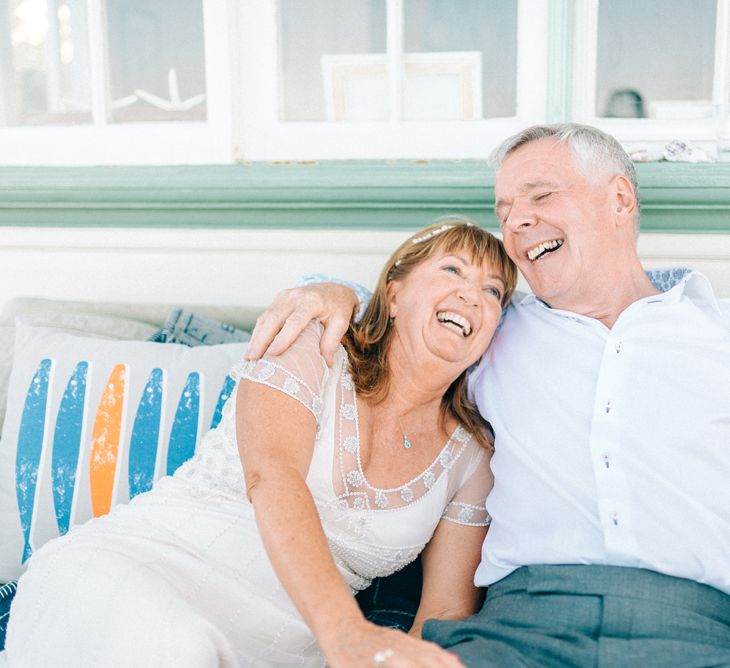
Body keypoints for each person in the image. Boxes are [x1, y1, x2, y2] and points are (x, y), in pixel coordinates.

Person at [244, 123, 730, 667]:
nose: (517, 221)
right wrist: (331, 290)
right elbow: (408, 323)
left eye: (541, 195)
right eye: (504, 211)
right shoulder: (492, 330)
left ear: (619, 199)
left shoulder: (717, 333)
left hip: (699, 630)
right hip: (519, 630)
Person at [6, 221, 518, 667]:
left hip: (283, 649)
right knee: (177, 647)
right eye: (453, 271)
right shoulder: (313, 343)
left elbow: (445, 613)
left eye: (494, 291)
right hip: (137, 566)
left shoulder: (472, 455)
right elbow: (273, 477)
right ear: (394, 293)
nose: (473, 295)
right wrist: (348, 634)